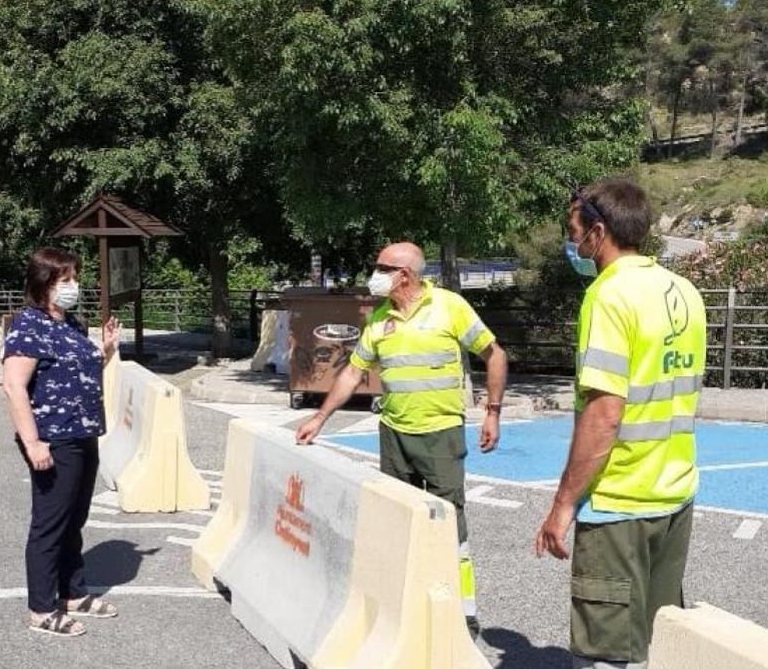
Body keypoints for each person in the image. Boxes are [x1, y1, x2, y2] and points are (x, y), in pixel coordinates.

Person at [296, 241, 509, 639]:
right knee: (398, 523)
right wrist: (321, 416)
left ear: (405, 274)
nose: (374, 274)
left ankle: (463, 615)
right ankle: (405, 608)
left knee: (450, 526)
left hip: (441, 435)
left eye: (381, 267)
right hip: (394, 435)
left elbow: (494, 354)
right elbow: (352, 373)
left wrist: (493, 412)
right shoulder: (379, 317)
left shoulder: (449, 307)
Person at [534, 178, 706, 669]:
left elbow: (605, 413)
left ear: (598, 231)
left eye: (573, 231)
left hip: (620, 501)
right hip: (674, 492)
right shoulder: (684, 290)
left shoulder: (608, 296)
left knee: (604, 653)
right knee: (655, 642)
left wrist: (562, 505)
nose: (572, 242)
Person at [2, 247, 121, 637]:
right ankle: (41, 609)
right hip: (54, 437)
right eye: (65, 279)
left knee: (75, 518)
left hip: (84, 432)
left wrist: (103, 351)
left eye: (74, 278)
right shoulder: (27, 326)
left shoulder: (71, 323)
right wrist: (32, 442)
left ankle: (72, 593)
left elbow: (76, 375)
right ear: (44, 283)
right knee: (50, 523)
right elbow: (14, 386)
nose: (73, 286)